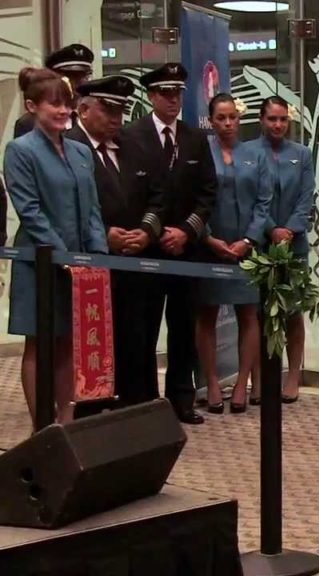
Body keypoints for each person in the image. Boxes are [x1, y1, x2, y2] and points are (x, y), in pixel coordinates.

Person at [3, 67, 108, 425]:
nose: (64, 111)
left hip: (80, 263)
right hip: (40, 262)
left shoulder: (80, 151)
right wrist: (64, 255)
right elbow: (29, 211)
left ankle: (66, 421)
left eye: (68, 104)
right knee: (39, 342)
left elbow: (93, 209)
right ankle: (42, 426)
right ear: (32, 106)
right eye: (55, 105)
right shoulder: (20, 150)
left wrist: (96, 257)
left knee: (69, 342)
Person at [122, 62, 218, 425]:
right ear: (151, 96)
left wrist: (186, 232)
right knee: (142, 329)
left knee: (183, 329)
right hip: (144, 251)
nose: (173, 99)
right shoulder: (132, 136)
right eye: (165, 93)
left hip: (185, 250)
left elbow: (208, 193)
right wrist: (151, 230)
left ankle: (181, 399)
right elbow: (129, 192)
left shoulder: (194, 138)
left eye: (177, 93)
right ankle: (144, 402)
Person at [68, 75, 164, 411]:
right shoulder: (69, 147)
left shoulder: (133, 146)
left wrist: (146, 231)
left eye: (120, 111)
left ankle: (135, 408)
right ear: (83, 109)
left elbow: (157, 195)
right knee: (94, 345)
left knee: (136, 341)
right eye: (107, 110)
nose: (115, 119)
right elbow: (68, 207)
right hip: (92, 266)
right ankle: (91, 411)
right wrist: (105, 234)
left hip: (135, 264)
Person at [196, 94, 271, 414]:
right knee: (207, 315)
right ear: (211, 121)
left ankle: (242, 383)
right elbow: (193, 199)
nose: (227, 123)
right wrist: (209, 238)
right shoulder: (201, 154)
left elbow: (264, 202)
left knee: (248, 314)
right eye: (221, 118)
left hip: (247, 250)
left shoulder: (255, 154)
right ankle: (212, 382)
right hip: (210, 247)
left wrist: (249, 240)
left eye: (233, 118)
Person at [251, 96, 314, 404]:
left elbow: (306, 196)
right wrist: (271, 229)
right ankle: (261, 378)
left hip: (294, 243)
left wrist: (288, 230)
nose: (278, 124)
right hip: (260, 243)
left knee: (292, 311)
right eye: (272, 119)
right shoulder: (249, 152)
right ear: (262, 120)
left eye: (283, 119)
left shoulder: (301, 154)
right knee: (258, 311)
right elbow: (250, 198)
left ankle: (292, 376)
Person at [14, 44, 94, 137]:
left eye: (84, 75)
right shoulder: (31, 122)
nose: (80, 81)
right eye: (72, 76)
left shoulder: (90, 116)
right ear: (54, 78)